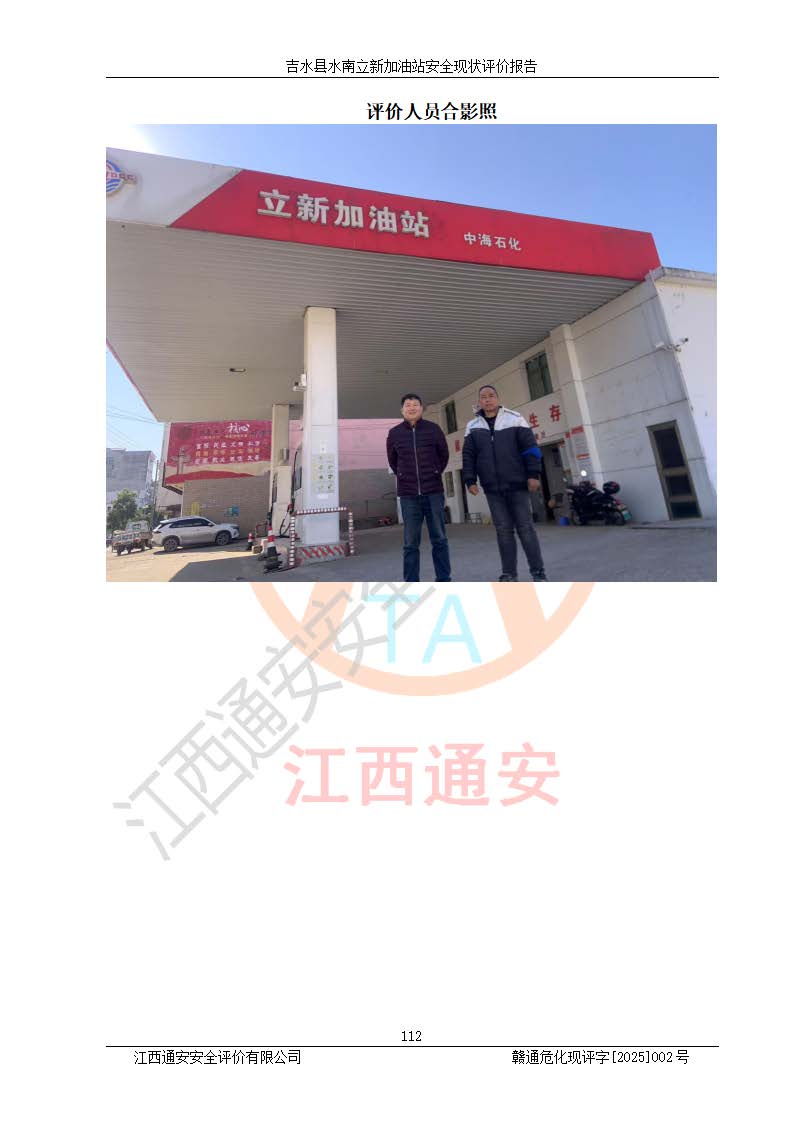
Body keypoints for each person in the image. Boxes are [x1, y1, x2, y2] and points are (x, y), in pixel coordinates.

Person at [462, 385, 549, 581]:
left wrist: (533, 474)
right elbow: (468, 455)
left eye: (491, 396)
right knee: (503, 531)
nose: (487, 399)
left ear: (498, 398)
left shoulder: (515, 418)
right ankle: (509, 574)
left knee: (526, 528)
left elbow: (530, 448)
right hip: (492, 488)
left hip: (517, 484)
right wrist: (469, 479)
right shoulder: (473, 426)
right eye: (483, 397)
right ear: (479, 402)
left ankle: (538, 573)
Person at [386, 393, 451, 582]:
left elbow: (444, 454)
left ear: (421, 408)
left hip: (433, 492)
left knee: (439, 539)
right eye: (408, 405)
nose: (412, 408)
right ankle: (411, 582)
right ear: (402, 410)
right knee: (410, 543)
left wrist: (435, 471)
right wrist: (403, 475)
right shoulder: (394, 433)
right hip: (408, 496)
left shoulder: (433, 429)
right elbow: (393, 460)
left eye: (415, 404)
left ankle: (444, 580)